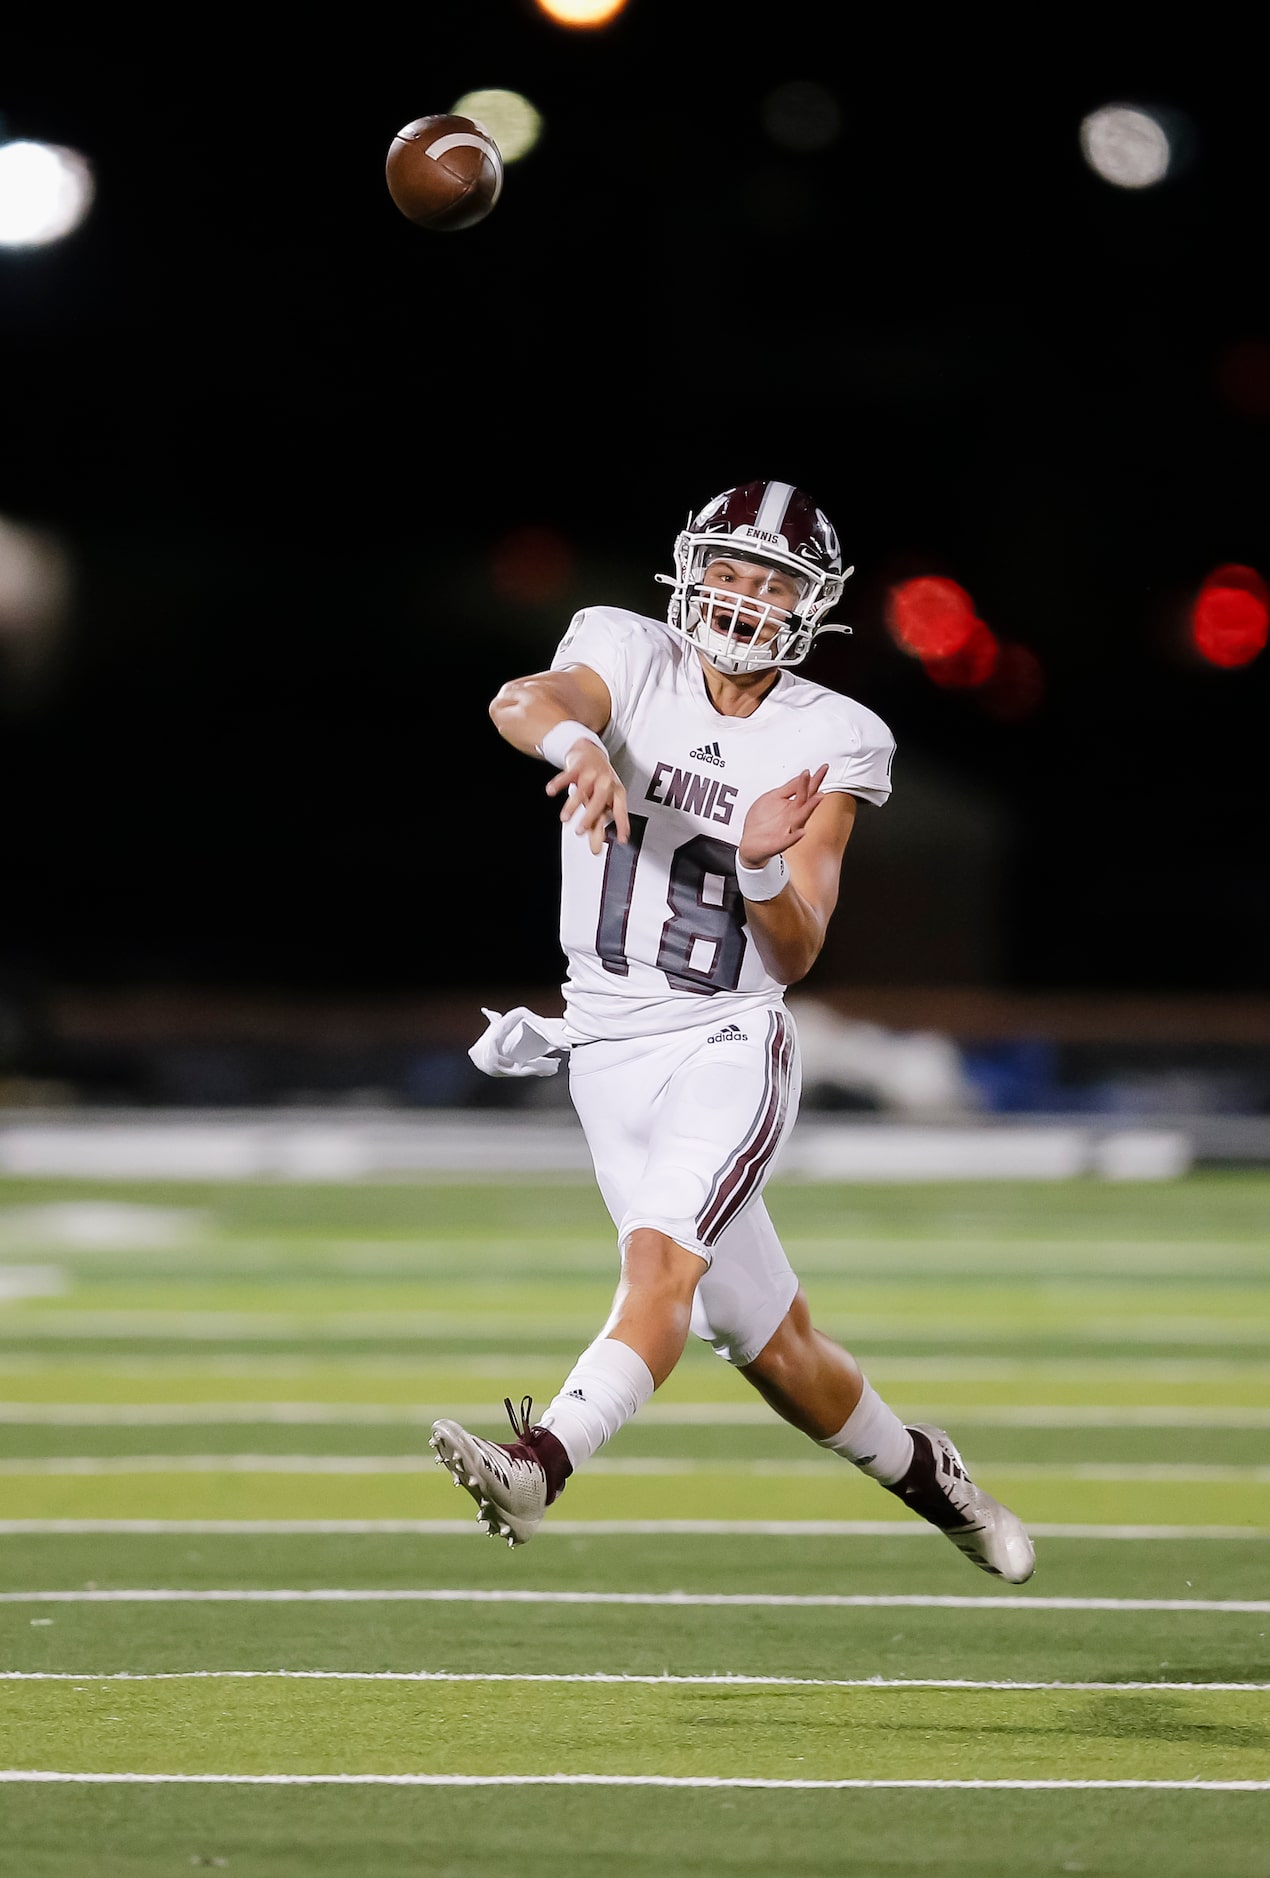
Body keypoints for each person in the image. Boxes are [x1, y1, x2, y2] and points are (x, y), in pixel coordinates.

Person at [431, 479, 1035, 1583]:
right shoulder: (624, 649)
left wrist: (758, 859)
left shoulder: (834, 735)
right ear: (690, 570)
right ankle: (927, 1472)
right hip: (604, 1048)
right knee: (769, 1346)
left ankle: (539, 1463)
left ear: (814, 606)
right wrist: (580, 745)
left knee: (656, 1265)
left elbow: (798, 949)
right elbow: (522, 697)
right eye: (733, 572)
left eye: (774, 583)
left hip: (725, 1039)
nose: (747, 598)